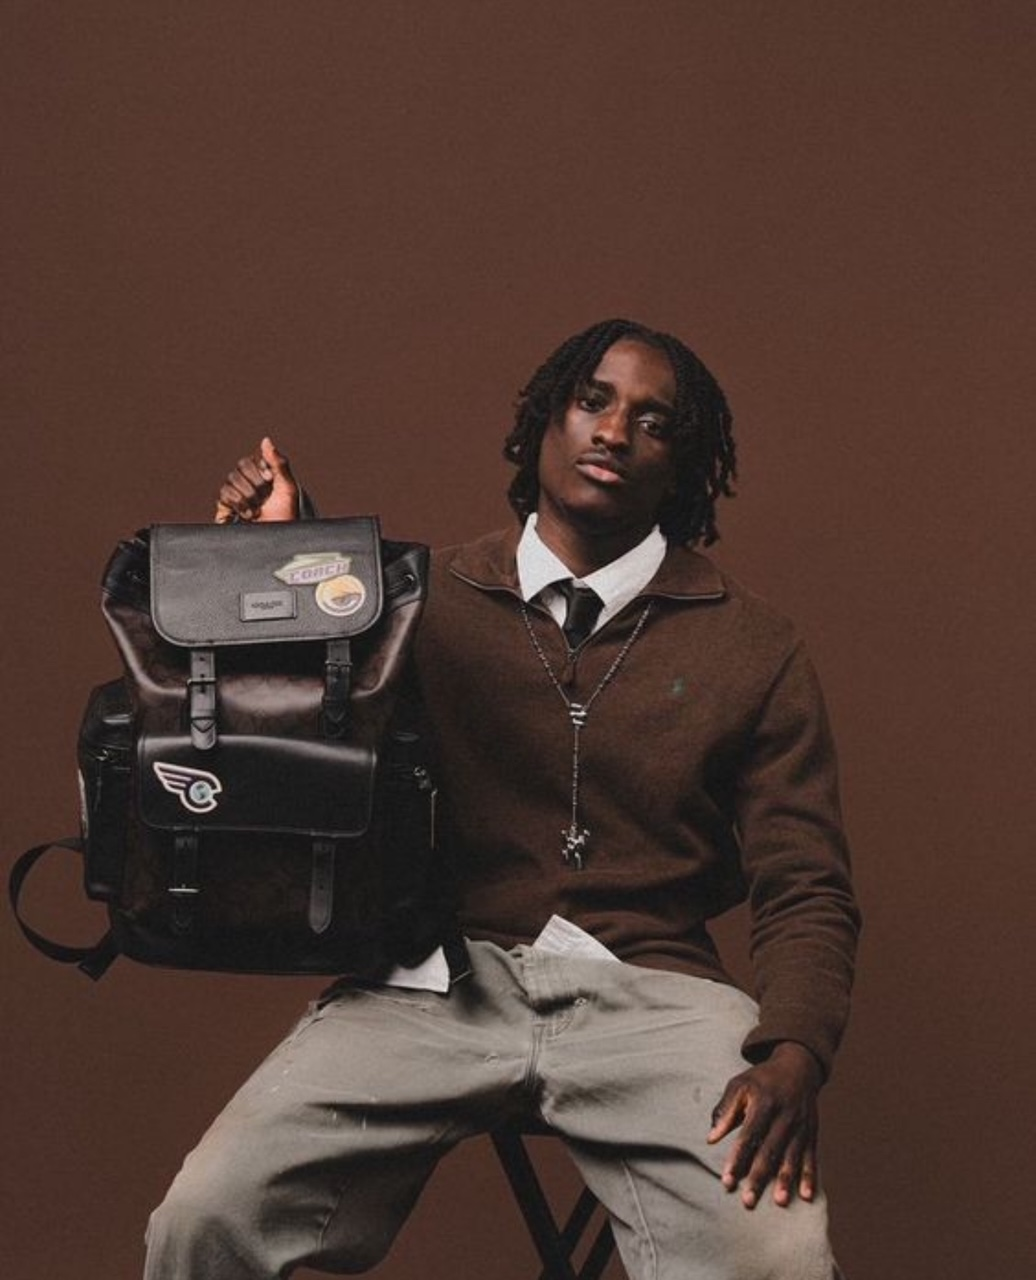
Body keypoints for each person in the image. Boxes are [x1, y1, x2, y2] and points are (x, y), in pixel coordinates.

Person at [145, 318, 860, 1279]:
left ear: (684, 467)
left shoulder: (756, 648)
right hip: (442, 981)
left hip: (654, 995)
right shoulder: (413, 600)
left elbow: (805, 884)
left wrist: (794, 1054)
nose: (613, 432)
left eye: (655, 422)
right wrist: (287, 557)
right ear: (543, 424)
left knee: (778, 1255)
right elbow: (284, 738)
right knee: (204, 1213)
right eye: (593, 401)